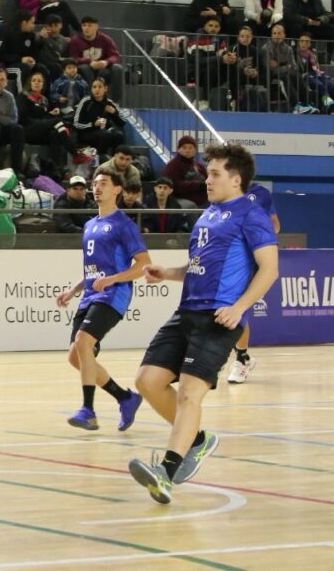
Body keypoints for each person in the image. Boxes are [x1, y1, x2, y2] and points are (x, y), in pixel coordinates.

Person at [128, 143, 279, 504]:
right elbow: (198, 269)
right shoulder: (207, 215)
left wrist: (240, 308)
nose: (206, 179)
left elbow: (270, 269)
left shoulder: (251, 215)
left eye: (214, 173)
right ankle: (196, 440)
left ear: (236, 179)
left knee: (188, 394)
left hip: (219, 317)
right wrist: (168, 273)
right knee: (147, 382)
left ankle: (166, 471)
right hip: (187, 311)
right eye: (206, 172)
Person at [54, 168, 148, 431]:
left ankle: (88, 411)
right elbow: (93, 270)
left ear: (117, 189)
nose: (96, 188)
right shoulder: (89, 225)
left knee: (83, 342)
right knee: (76, 357)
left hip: (113, 295)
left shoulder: (124, 225)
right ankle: (125, 398)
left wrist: (114, 279)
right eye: (94, 184)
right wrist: (73, 290)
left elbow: (143, 265)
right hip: (90, 296)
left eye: (103, 183)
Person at [227, 181, 282, 384]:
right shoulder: (221, 189)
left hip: (250, 257)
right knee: (222, 307)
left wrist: (259, 234)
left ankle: (241, 359)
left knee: (238, 308)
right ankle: (235, 356)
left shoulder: (261, 193)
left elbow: (275, 225)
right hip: (226, 257)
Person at [18, 71, 73, 160]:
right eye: (34, 80)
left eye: (39, 81)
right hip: (28, 129)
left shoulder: (44, 100)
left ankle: (57, 168)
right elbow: (23, 117)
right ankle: (74, 152)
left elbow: (46, 116)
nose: (36, 82)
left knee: (55, 134)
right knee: (57, 122)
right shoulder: (23, 96)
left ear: (43, 84)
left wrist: (52, 113)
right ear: (30, 83)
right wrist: (44, 121)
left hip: (42, 130)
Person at [67, 17, 125, 97]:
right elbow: (73, 58)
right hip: (85, 68)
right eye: (84, 25)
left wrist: (106, 62)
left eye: (89, 26)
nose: (86, 28)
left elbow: (114, 55)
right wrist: (89, 62)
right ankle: (90, 99)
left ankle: (115, 101)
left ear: (96, 27)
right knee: (85, 68)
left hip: (102, 68)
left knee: (117, 68)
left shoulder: (105, 39)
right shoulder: (75, 41)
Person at [71, 78, 125, 158]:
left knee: (119, 135)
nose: (97, 90)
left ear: (105, 89)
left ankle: (115, 160)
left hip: (104, 132)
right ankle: (99, 160)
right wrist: (93, 124)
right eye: (94, 87)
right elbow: (76, 124)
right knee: (105, 134)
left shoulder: (109, 102)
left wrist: (114, 113)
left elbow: (122, 122)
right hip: (86, 133)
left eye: (100, 87)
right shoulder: (86, 101)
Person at [162, 135, 208, 207]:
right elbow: (173, 185)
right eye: (184, 148)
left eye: (190, 148)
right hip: (180, 198)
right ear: (178, 149)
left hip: (203, 198)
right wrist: (197, 185)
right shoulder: (172, 166)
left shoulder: (199, 166)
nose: (187, 150)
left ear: (195, 150)